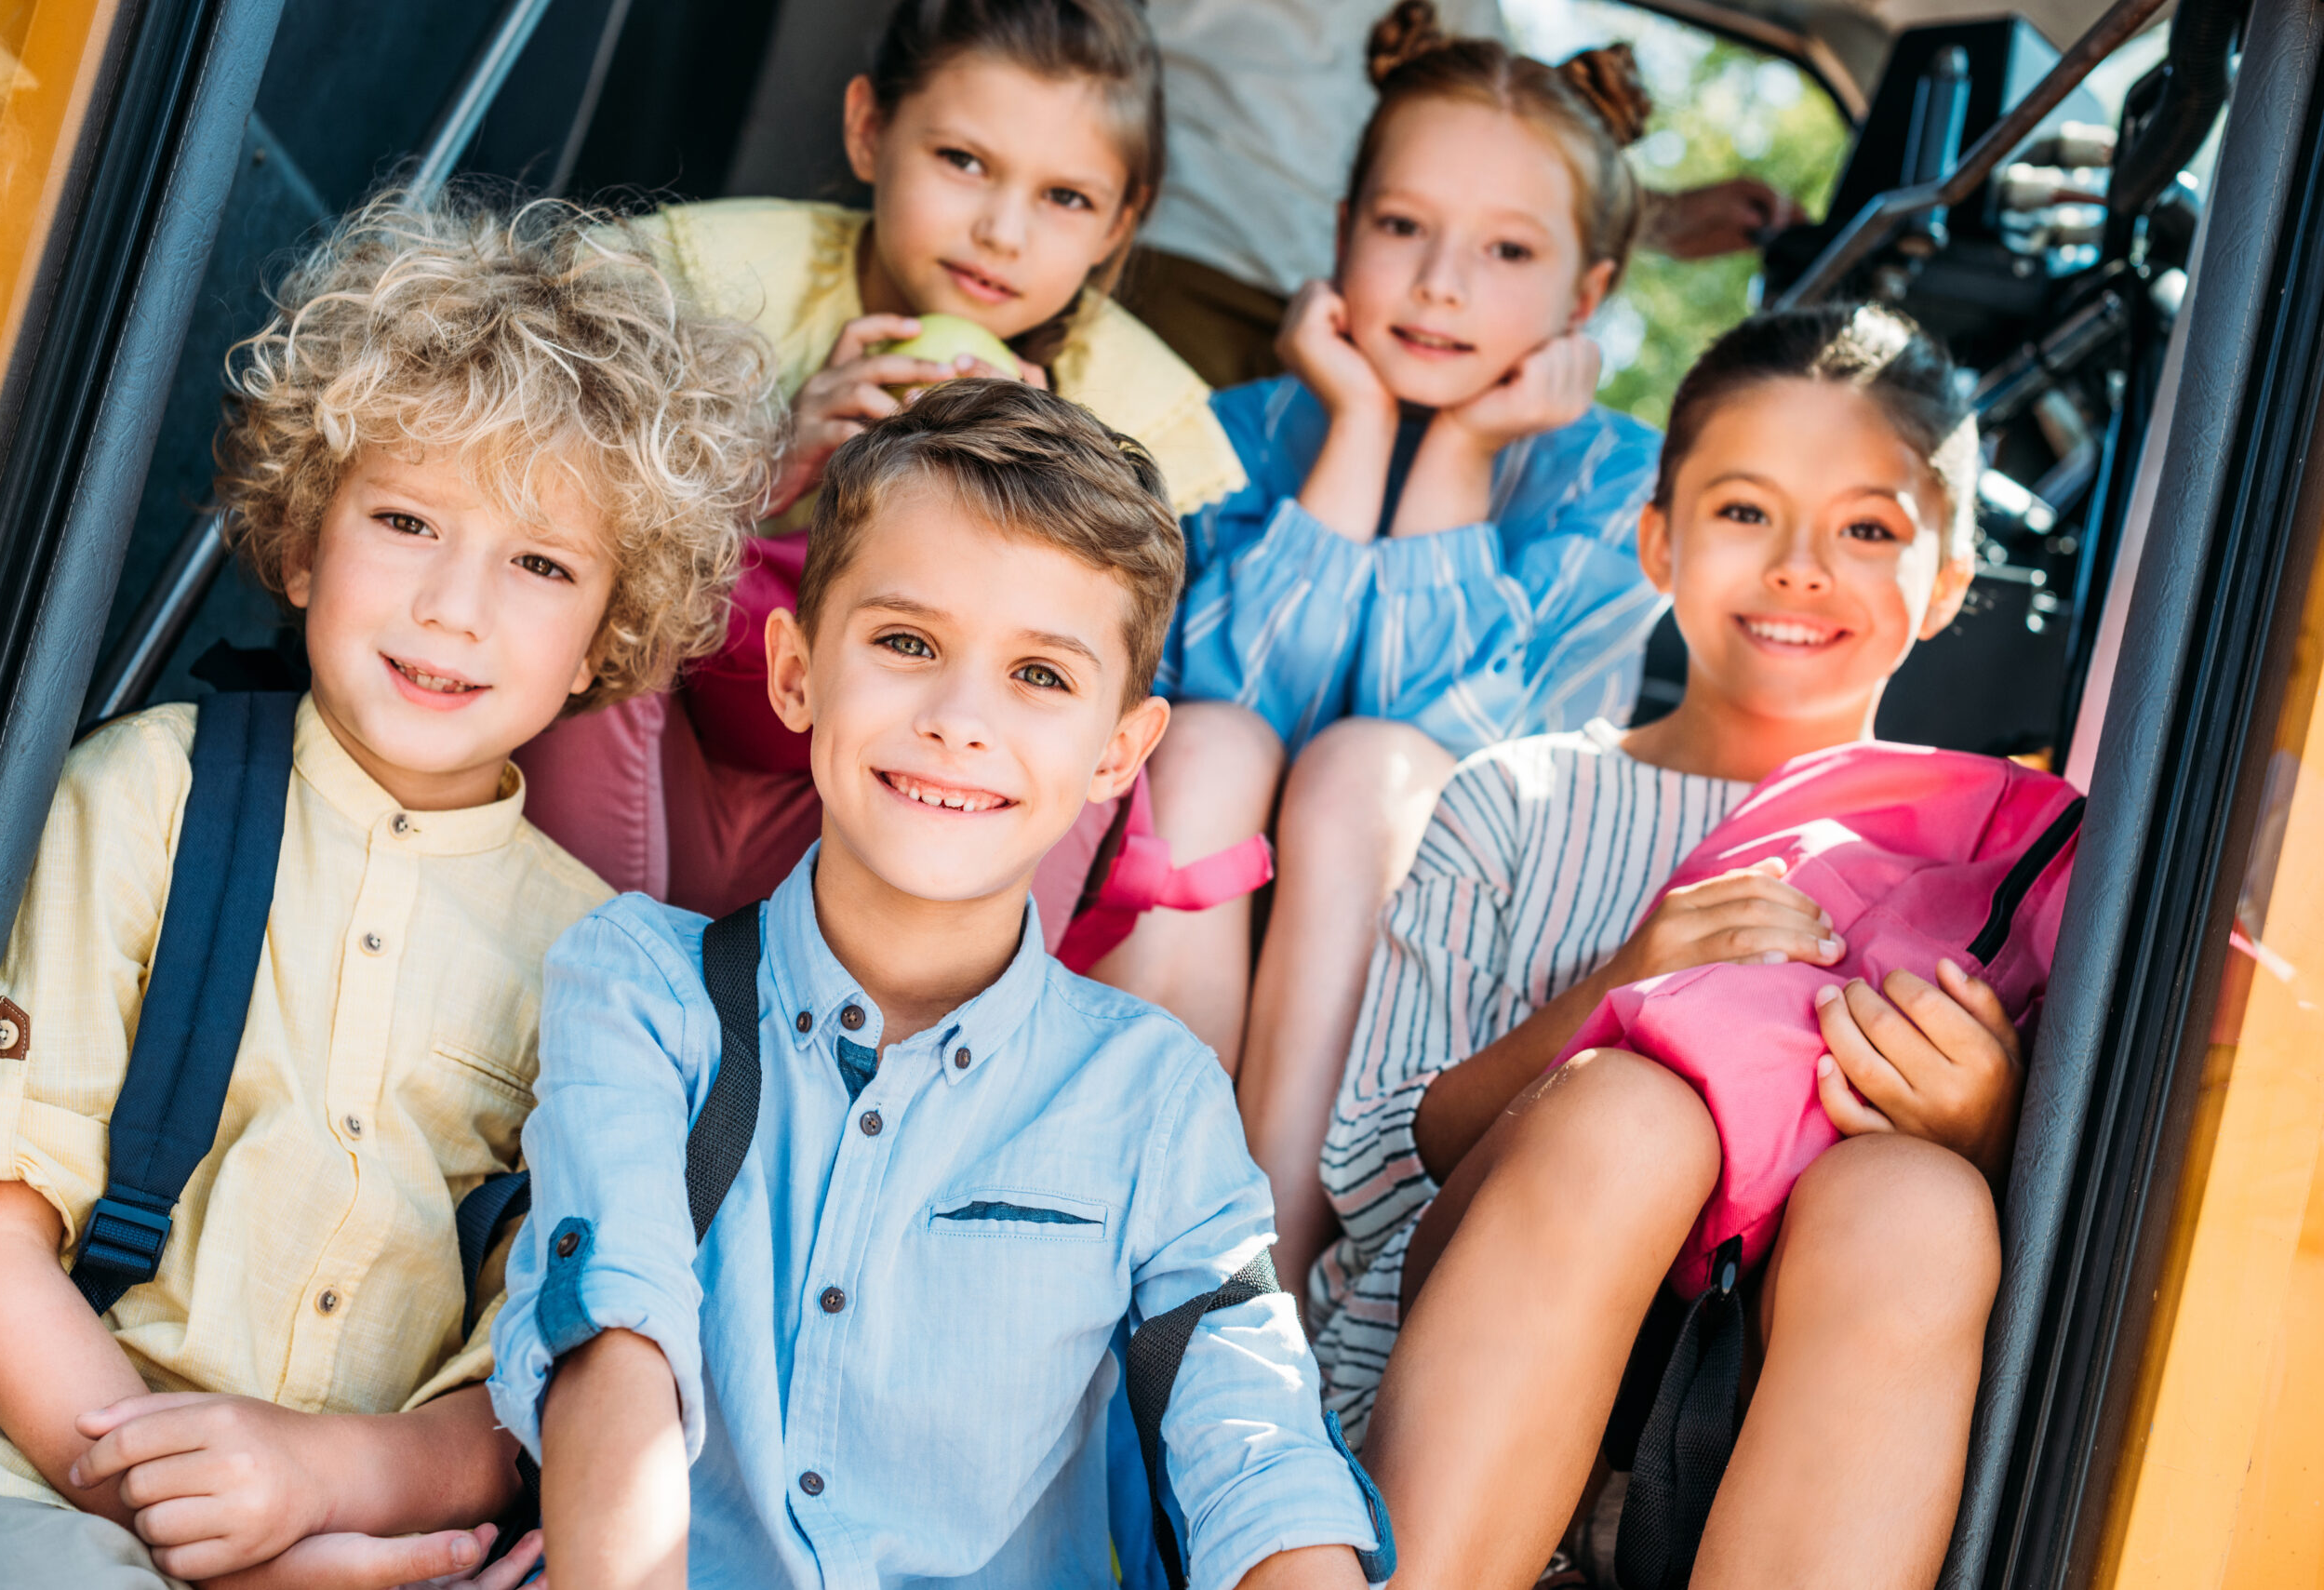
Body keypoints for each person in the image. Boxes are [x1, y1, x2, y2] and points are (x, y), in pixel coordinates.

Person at [0, 194, 779, 1590]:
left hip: (386, 1542)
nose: (455, 607)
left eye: (541, 564)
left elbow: (528, 1381)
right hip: (51, 1488)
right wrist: (201, 1517)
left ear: (604, 637)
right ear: (303, 540)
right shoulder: (145, 793)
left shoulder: (600, 959)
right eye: (405, 519)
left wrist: (324, 1491)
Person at [487, 381, 1389, 1590]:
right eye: (907, 644)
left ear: (1118, 753)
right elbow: (616, 1341)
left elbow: (1257, 1449)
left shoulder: (1153, 1092)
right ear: (798, 674)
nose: (963, 718)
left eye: (1042, 677)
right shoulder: (644, 985)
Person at [1316, 303, 2016, 1587]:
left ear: (1952, 582)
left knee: (1921, 1202)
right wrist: (1618, 990)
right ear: (1658, 542)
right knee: (1634, 1117)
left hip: (1742, 1430)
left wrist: (1982, 1127)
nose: (1803, 566)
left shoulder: (1986, 873)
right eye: (1747, 512)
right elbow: (1369, 1172)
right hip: (1463, 1361)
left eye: (1868, 528)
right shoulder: (1520, 800)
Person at [1101, 1, 1667, 1286]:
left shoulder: (1615, 493)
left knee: (1365, 768)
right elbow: (1227, 685)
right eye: (1401, 228)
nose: (1439, 284)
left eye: (1507, 251)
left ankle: (1260, 1287)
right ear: (1342, 233)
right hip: (1202, 924)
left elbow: (1455, 771)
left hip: (1443, 983)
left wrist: (1461, 456)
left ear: (1588, 296)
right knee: (1209, 736)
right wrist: (1356, 428)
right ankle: (1114, 1225)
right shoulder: (1244, 432)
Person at [517, 0, 1242, 934]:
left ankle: (948, 1050)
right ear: (869, 130)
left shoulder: (1139, 402)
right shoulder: (708, 279)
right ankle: (581, 964)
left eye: (1065, 198)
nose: (1001, 230)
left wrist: (1038, 485)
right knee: (595, 581)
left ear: (1116, 227)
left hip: (901, 816)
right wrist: (764, 464)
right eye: (963, 162)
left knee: (1093, 720)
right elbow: (530, 489)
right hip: (662, 772)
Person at [1126, 0, 1807, 388]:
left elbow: (1515, 149)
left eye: (1512, 250)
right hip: (1186, 258)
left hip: (1371, 320)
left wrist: (1666, 218)